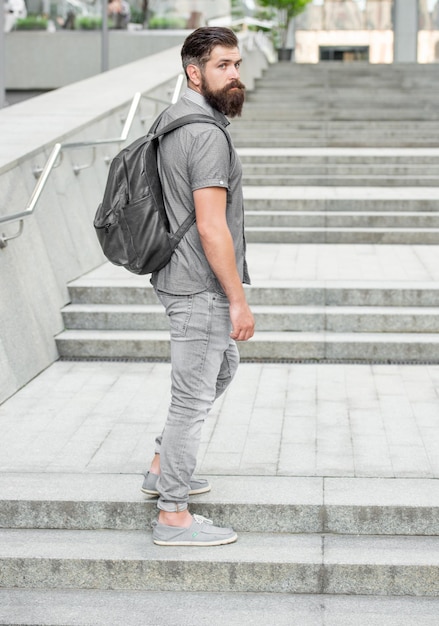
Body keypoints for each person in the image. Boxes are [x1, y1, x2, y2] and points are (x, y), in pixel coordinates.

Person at [141, 26, 255, 546]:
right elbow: (211, 226)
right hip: (198, 286)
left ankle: (164, 463)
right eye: (223, 66)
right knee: (191, 400)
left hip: (176, 275)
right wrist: (237, 300)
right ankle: (173, 514)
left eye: (237, 64)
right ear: (194, 72)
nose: (236, 76)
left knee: (222, 366)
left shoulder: (173, 118)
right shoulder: (206, 134)